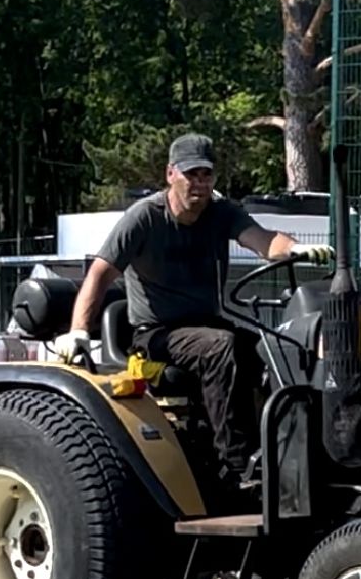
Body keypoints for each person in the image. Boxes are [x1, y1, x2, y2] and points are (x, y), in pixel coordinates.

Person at [54, 132, 333, 487]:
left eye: (206, 174)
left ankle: (291, 450)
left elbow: (263, 240)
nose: (199, 183)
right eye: (191, 174)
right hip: (156, 335)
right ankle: (236, 464)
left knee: (274, 348)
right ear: (171, 174)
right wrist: (79, 330)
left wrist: (293, 249)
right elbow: (99, 273)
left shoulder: (221, 213)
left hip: (207, 325)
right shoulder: (143, 218)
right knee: (221, 347)